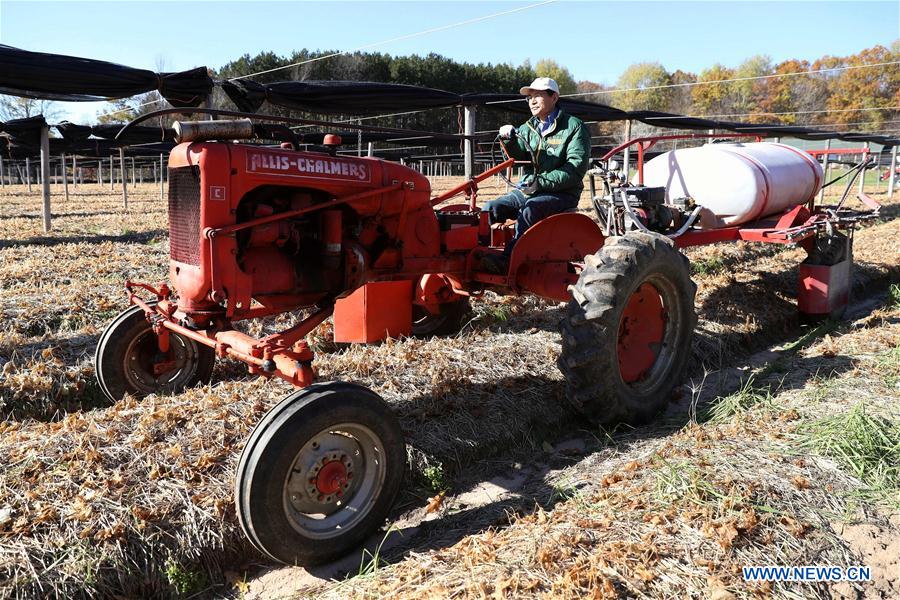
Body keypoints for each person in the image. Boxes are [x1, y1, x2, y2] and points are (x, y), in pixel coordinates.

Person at [480, 77, 592, 274]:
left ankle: (508, 262)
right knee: (490, 209)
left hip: (562, 193)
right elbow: (518, 157)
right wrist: (509, 141)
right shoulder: (527, 128)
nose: (532, 101)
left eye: (538, 95)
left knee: (530, 210)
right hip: (529, 189)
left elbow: (575, 169)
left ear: (554, 97)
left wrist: (540, 182)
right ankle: (478, 256)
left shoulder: (574, 127)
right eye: (530, 97)